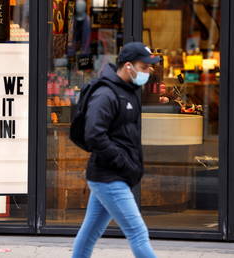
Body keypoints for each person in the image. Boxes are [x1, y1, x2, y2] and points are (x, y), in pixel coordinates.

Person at [72, 42, 159, 258]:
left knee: (91, 231)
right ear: (128, 66)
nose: (148, 71)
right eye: (144, 66)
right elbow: (94, 135)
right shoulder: (106, 94)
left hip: (110, 175)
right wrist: (123, 162)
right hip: (109, 177)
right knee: (138, 233)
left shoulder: (128, 91)